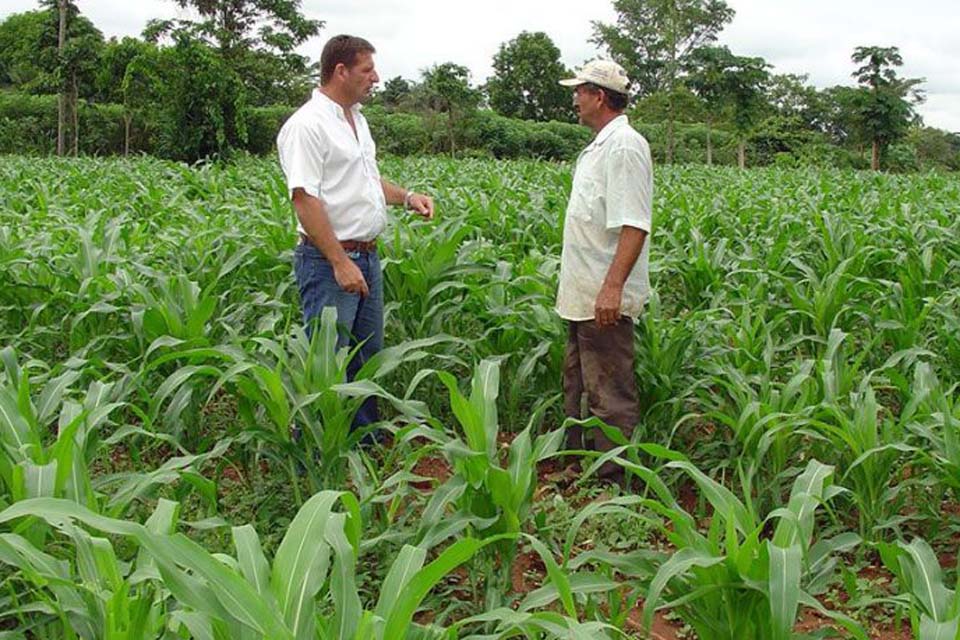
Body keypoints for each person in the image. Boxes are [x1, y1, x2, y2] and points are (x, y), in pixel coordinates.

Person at [276, 35, 434, 432]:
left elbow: (365, 181)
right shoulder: (307, 125)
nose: (376, 78)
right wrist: (340, 262)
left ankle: (362, 444)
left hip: (366, 256)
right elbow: (304, 198)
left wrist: (408, 196)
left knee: (366, 355)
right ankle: (315, 457)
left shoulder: (357, 120)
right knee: (327, 359)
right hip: (330, 261)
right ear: (340, 71)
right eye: (368, 70)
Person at [556, 60, 653, 482]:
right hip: (582, 295)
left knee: (610, 392)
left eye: (580, 90)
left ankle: (612, 483)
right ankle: (580, 468)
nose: (574, 98)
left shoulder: (625, 147)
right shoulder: (600, 145)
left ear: (599, 96)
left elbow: (635, 224)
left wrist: (612, 288)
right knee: (579, 385)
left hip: (602, 296)